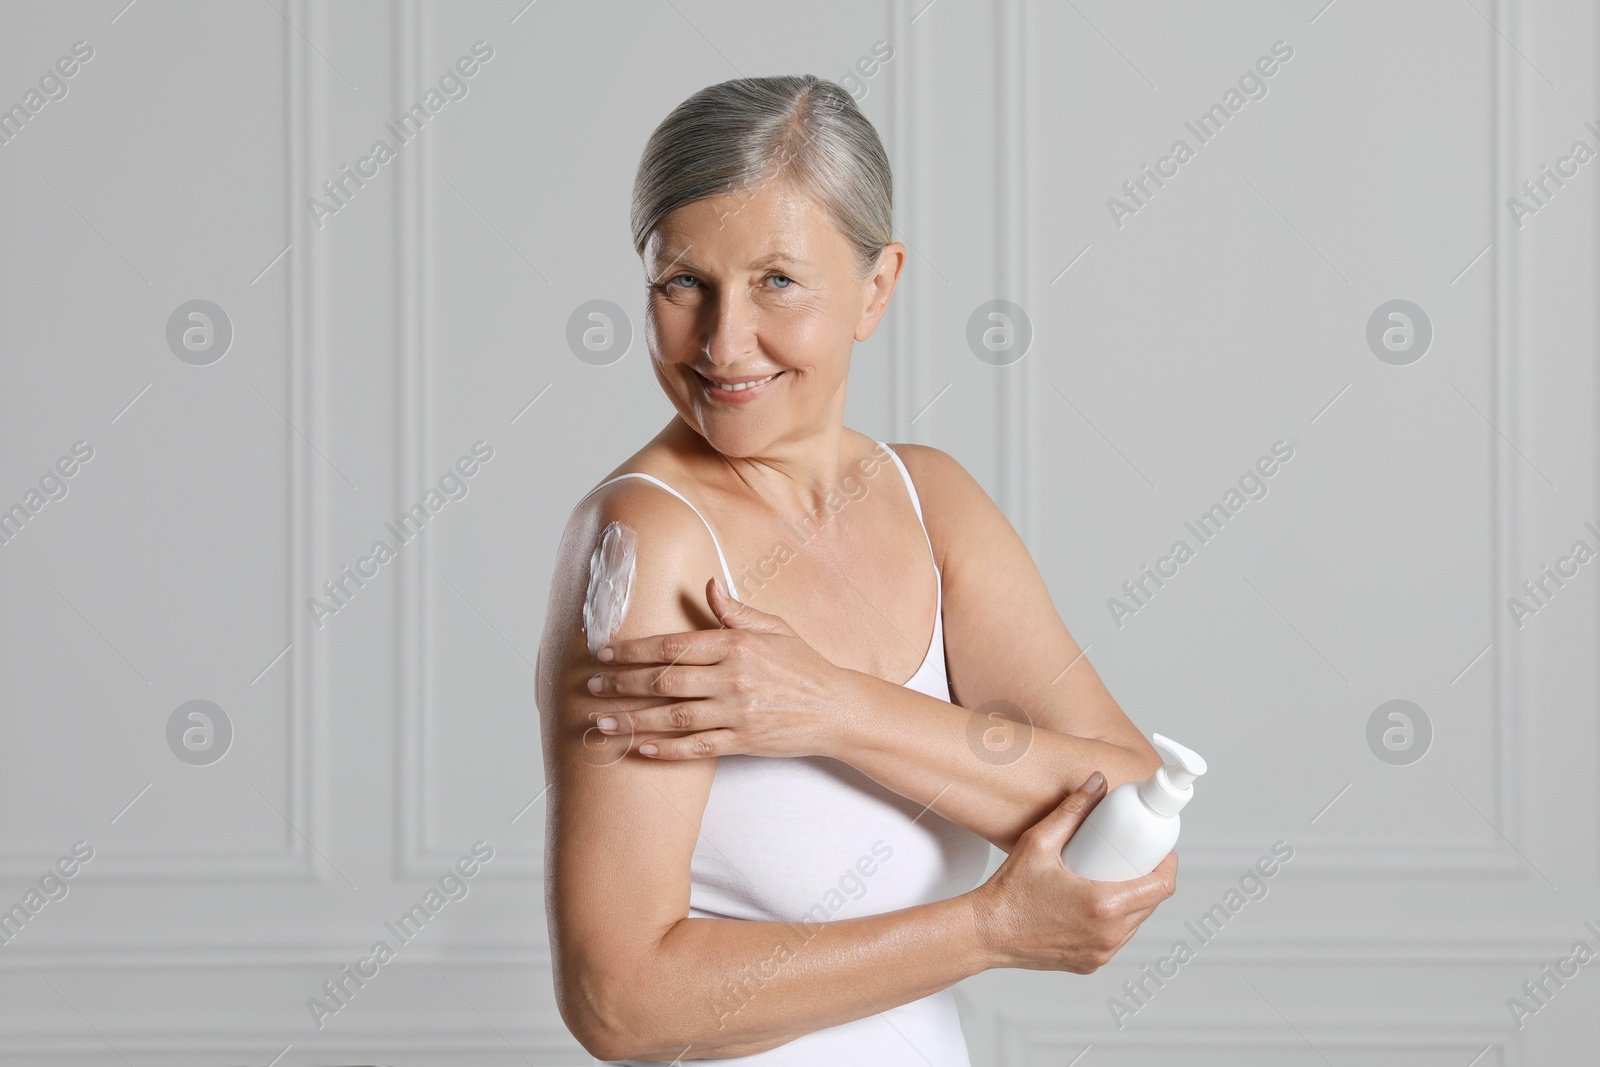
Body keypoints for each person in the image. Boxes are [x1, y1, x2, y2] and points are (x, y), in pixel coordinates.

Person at [536, 73, 1177, 1064]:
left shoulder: (932, 502)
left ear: (876, 286)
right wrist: (989, 927)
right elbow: (618, 999)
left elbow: (1133, 795)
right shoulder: (648, 541)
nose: (722, 341)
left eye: (776, 281)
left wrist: (834, 707)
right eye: (682, 282)